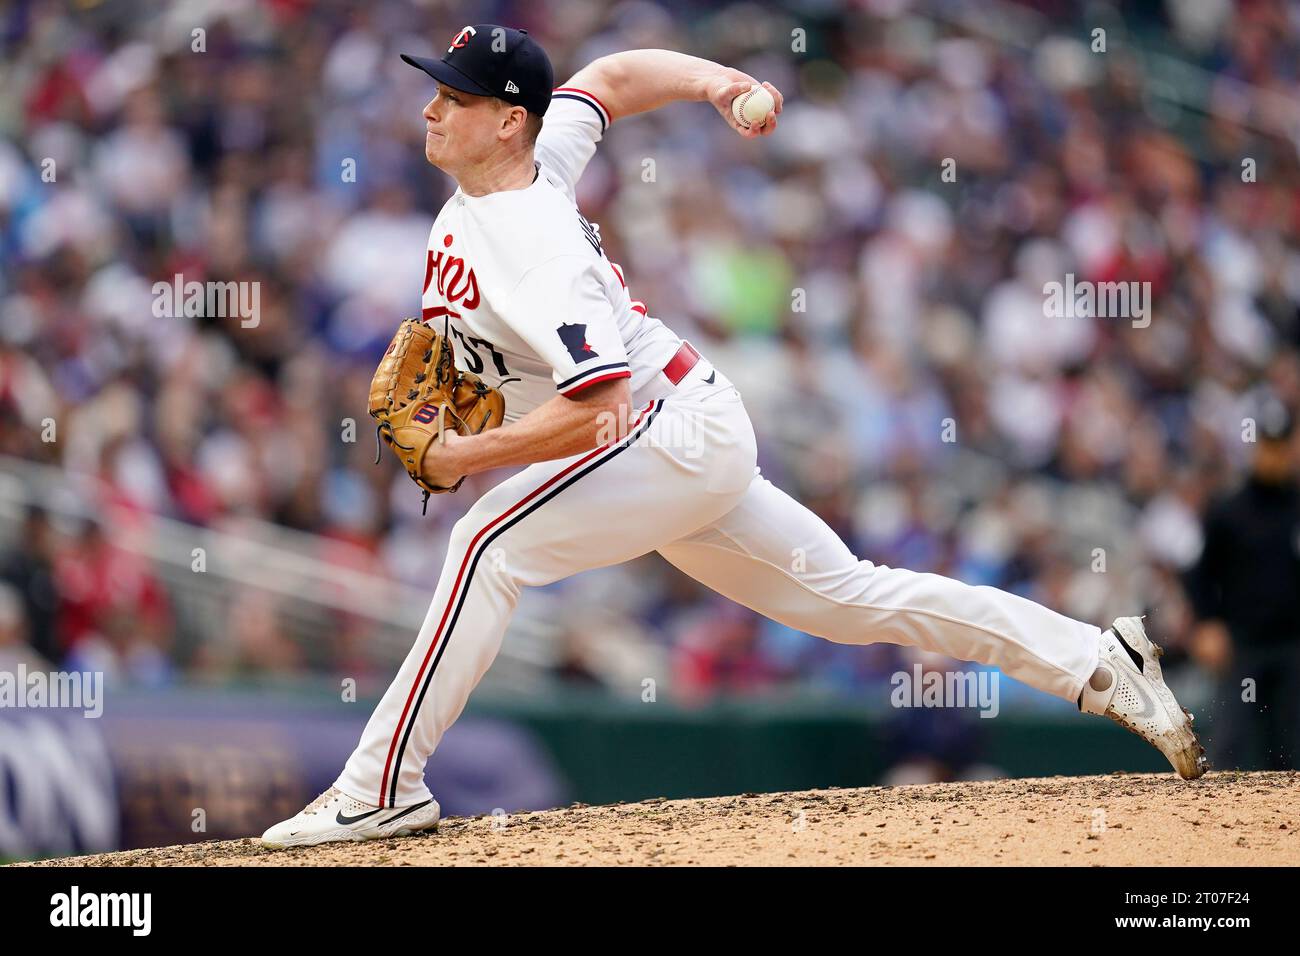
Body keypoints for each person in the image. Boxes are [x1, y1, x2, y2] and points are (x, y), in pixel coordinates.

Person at [260, 25, 1205, 848]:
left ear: (508, 119)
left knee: (482, 547)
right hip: (681, 431)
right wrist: (723, 85)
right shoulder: (535, 161)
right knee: (853, 598)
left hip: (659, 431)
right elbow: (614, 80)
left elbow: (596, 403)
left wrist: (466, 456)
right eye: (434, 91)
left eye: (451, 97)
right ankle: (1094, 659)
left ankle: (377, 791)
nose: (429, 110)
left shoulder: (533, 240)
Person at [1185, 392, 1300, 770]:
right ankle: (1214, 826)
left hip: (1293, 648)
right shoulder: (1230, 511)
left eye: (1280, 446)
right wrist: (1207, 624)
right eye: (1267, 445)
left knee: (1291, 751)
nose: (1274, 455)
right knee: (1230, 749)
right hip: (1243, 647)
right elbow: (1201, 575)